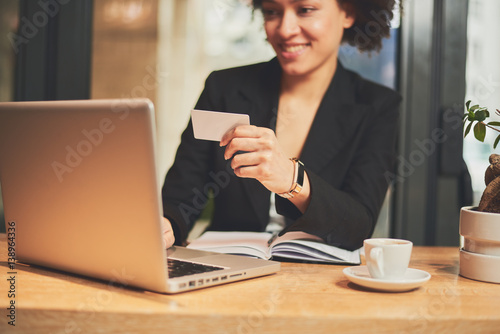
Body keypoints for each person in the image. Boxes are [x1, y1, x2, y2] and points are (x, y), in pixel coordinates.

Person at [161, 0, 402, 251]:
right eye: (272, 12)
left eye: (305, 10)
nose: (285, 30)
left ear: (349, 13)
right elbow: (180, 198)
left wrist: (292, 180)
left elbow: (358, 226)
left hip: (319, 281)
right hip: (228, 272)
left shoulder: (377, 106)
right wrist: (166, 226)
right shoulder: (224, 90)